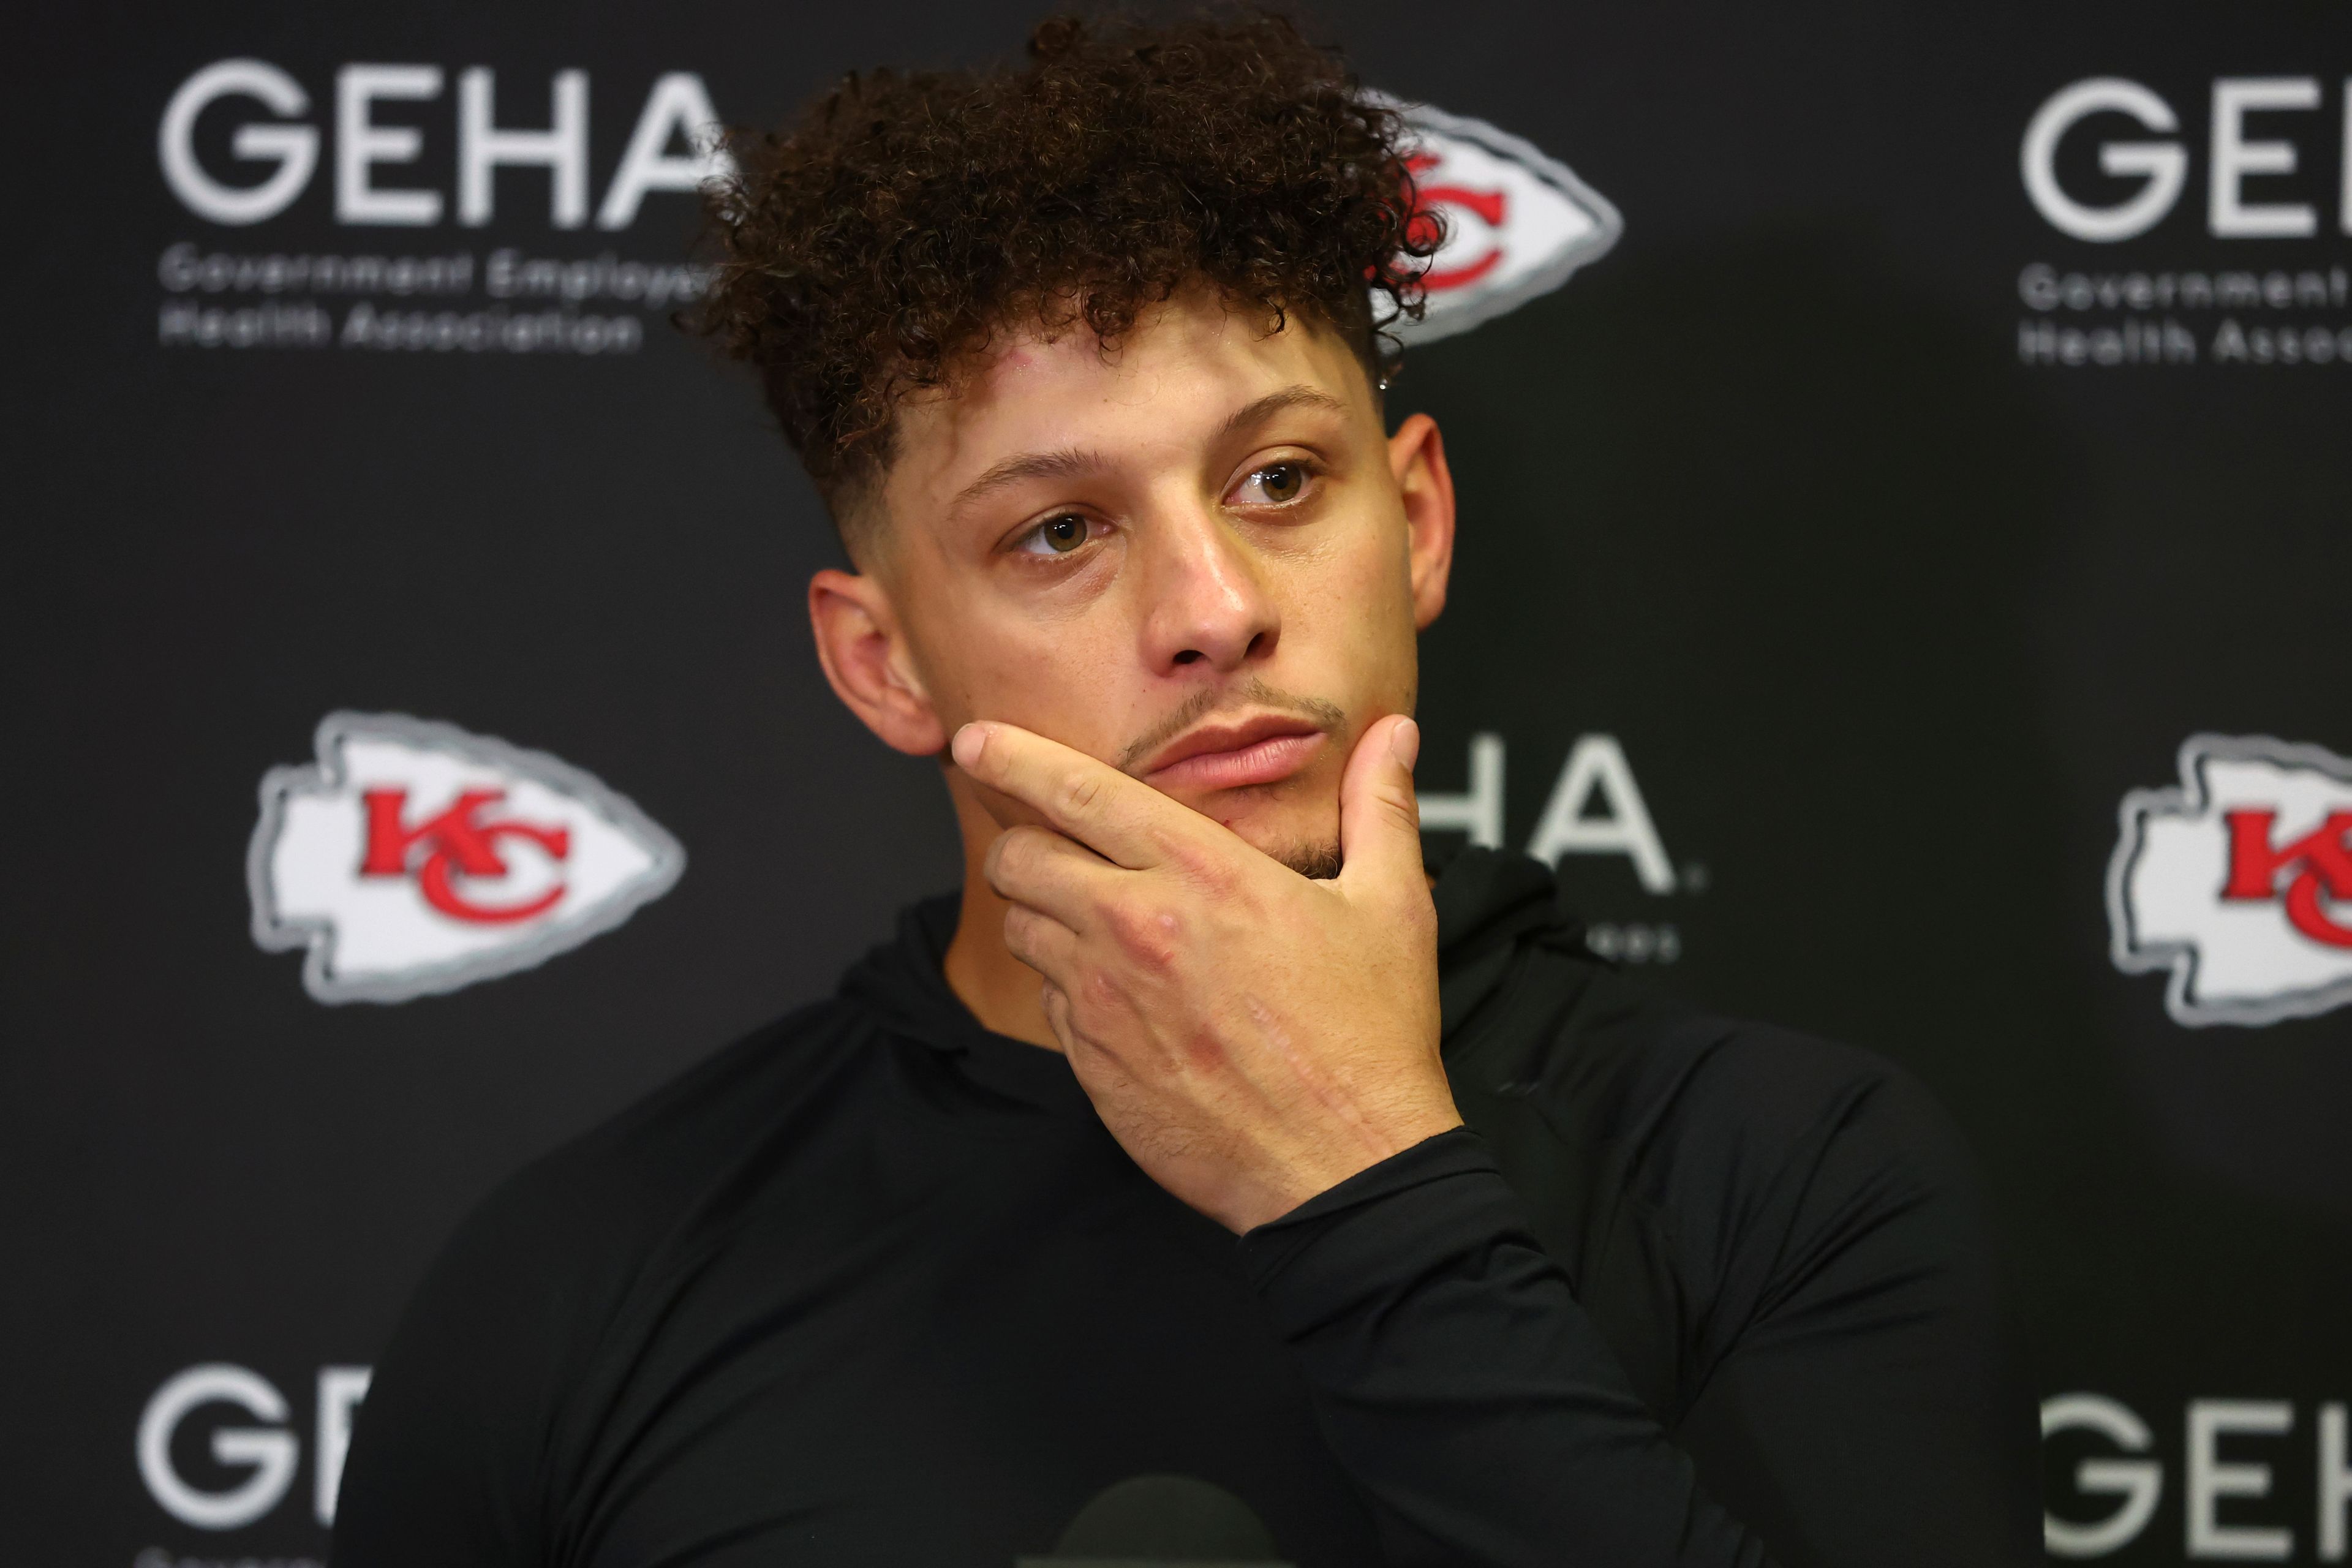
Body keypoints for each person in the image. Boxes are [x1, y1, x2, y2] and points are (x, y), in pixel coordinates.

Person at [331, 13, 2040, 1566]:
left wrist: (1351, 1179)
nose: (1217, 610)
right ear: (883, 664)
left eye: (1282, 478)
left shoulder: (1789, 1179)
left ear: (1419, 521)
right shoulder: (584, 1283)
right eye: (1061, 532)